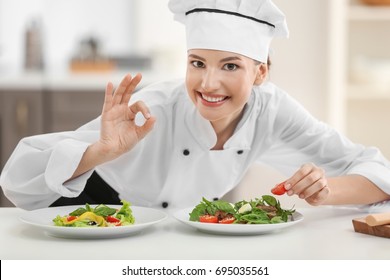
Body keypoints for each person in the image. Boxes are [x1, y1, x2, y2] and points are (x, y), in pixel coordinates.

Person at [1, 0, 390, 212]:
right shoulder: (153, 107)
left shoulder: (272, 111)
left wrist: (326, 191)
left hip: (186, 233)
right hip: (99, 213)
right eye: (197, 63)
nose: (207, 84)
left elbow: (377, 171)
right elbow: (16, 182)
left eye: (231, 66)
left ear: (261, 72)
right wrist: (99, 152)